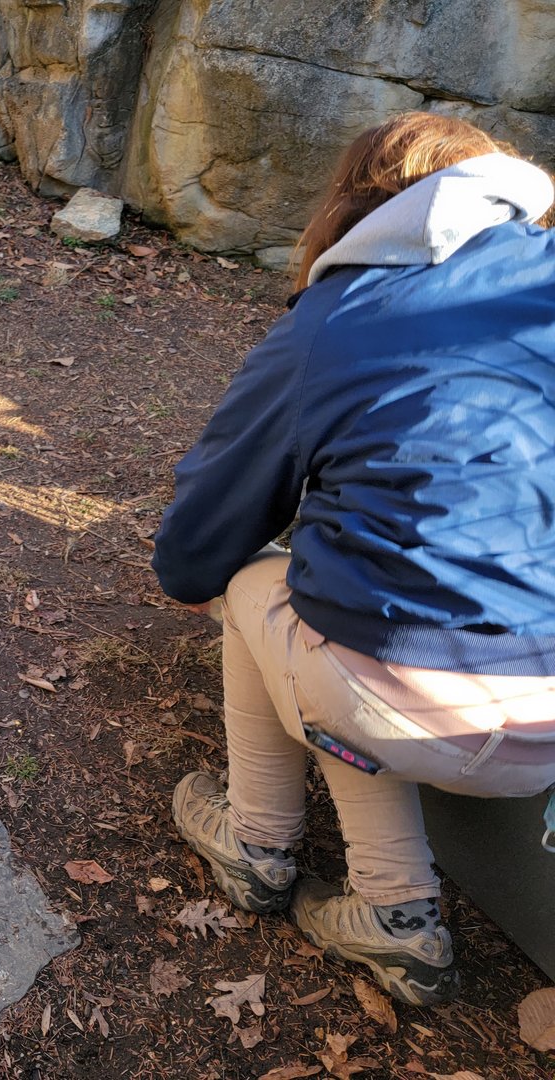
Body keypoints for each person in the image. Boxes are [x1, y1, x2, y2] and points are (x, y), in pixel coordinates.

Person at [152, 112, 555, 1006]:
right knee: (338, 614)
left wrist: (201, 574)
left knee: (265, 582)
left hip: (409, 699)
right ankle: (394, 920)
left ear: (362, 205)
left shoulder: (341, 315)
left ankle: (257, 843)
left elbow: (195, 546)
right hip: (548, 723)